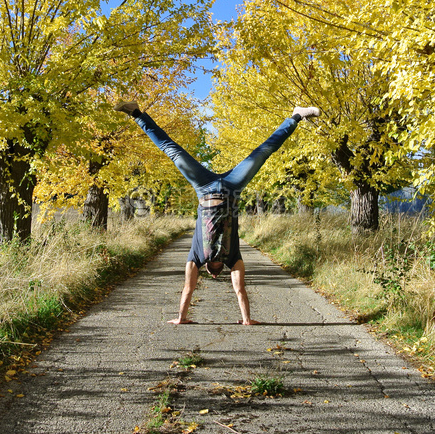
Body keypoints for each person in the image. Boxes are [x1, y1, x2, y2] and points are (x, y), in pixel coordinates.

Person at [115, 101, 319, 325]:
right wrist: (181, 318)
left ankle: (295, 117)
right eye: (214, 274)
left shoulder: (230, 260)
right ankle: (136, 114)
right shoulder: (199, 259)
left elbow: (238, 290)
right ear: (213, 271)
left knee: (263, 151)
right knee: (172, 150)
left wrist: (247, 319)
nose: (214, 274)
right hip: (216, 189)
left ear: (219, 270)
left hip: (221, 189)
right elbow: (189, 288)